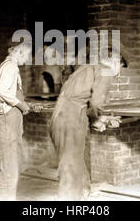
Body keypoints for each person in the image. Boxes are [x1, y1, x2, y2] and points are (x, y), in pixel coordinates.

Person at [49, 52, 125, 200]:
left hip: (59, 117)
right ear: (115, 62)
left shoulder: (86, 68)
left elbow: (80, 98)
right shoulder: (106, 71)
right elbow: (96, 103)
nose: (119, 72)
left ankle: (80, 195)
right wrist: (97, 120)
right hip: (72, 119)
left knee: (70, 163)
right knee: (71, 168)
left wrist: (95, 119)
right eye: (121, 67)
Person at [0, 43, 32, 200]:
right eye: (27, 54)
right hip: (8, 122)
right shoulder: (11, 67)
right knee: (10, 170)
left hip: (8, 120)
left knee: (11, 167)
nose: (28, 58)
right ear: (20, 52)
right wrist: (21, 104)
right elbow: (2, 92)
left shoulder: (7, 66)